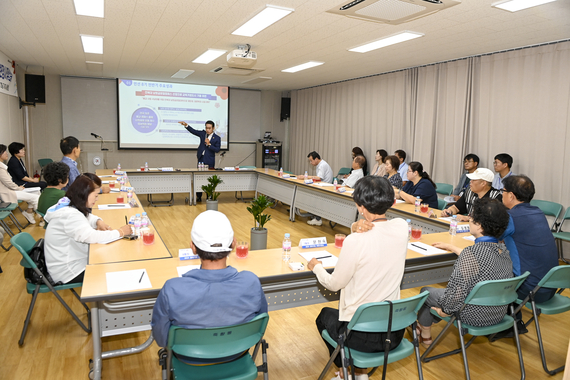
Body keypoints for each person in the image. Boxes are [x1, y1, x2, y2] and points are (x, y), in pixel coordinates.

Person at [308, 176, 408, 380]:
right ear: (391, 201)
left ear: (360, 206)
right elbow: (380, 230)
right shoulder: (401, 227)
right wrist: (356, 226)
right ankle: (359, 374)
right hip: (394, 332)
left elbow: (334, 284)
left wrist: (316, 267)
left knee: (323, 317)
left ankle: (346, 372)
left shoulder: (355, 241)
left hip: (359, 336)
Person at [151, 210, 267, 363]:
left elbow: (161, 338)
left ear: (193, 247)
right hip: (237, 354)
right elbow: (259, 322)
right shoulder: (251, 282)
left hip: (189, 359)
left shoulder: (172, 289)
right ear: (233, 244)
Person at [415, 198, 513, 347]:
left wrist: (445, 312)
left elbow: (455, 294)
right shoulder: (504, 251)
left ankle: (425, 333)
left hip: (471, 315)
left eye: (472, 218)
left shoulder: (472, 253)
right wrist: (452, 247)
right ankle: (424, 329)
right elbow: (483, 262)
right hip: (497, 313)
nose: (470, 220)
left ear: (479, 225)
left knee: (426, 292)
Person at [44, 175, 131, 284]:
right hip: (68, 271)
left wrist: (97, 221)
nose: (97, 198)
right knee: (114, 269)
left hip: (71, 260)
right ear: (85, 194)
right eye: (95, 195)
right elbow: (92, 236)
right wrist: (120, 232)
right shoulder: (69, 215)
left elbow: (85, 217)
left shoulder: (68, 204)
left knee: (109, 257)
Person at [501, 175, 558, 303]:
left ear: (511, 195)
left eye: (502, 191)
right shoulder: (538, 212)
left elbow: (490, 238)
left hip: (528, 289)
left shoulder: (511, 217)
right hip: (550, 288)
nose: (501, 195)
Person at [178, 120, 221, 202]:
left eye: (209, 128)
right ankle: (199, 196)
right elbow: (193, 131)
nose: (207, 130)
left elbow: (217, 149)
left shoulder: (217, 138)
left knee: (209, 179)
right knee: (199, 178)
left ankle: (209, 196)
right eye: (206, 128)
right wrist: (186, 125)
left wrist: (209, 144)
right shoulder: (203, 134)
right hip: (201, 159)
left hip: (210, 160)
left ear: (213, 128)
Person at [0, 144, 39, 224]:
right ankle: (42, 219)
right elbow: (9, 183)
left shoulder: (2, 166)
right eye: (4, 152)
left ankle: (28, 212)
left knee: (37, 192)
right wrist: (19, 188)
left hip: (12, 190)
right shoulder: (0, 168)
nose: (6, 153)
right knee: (36, 198)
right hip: (9, 193)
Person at [298, 151, 334, 226]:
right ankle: (312, 213)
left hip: (325, 187)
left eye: (311, 160)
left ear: (316, 159)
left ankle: (318, 219)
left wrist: (305, 177)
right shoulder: (321, 164)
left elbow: (319, 178)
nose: (311, 163)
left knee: (314, 196)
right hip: (322, 185)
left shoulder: (322, 165)